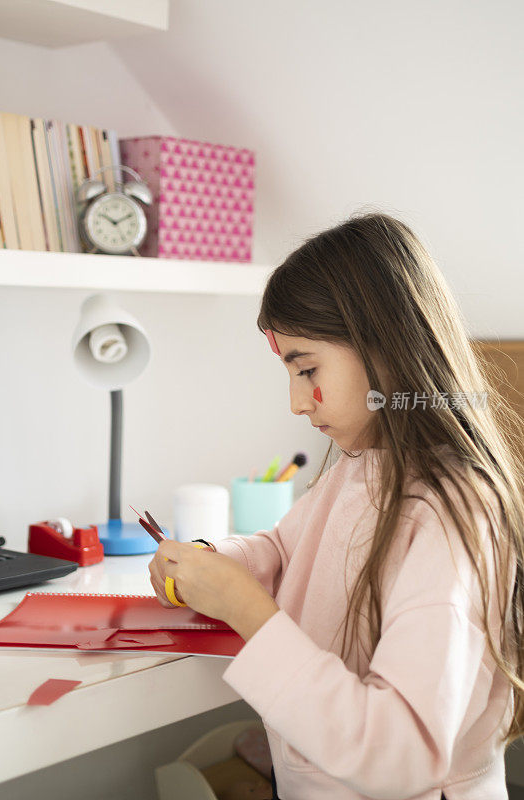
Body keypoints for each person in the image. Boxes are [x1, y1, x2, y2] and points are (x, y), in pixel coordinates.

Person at [148, 211, 524, 800]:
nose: (297, 402)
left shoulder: (452, 511)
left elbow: (399, 755)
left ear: (388, 346)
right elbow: (281, 548)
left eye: (307, 369)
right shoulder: (359, 468)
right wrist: (214, 561)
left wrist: (246, 609)